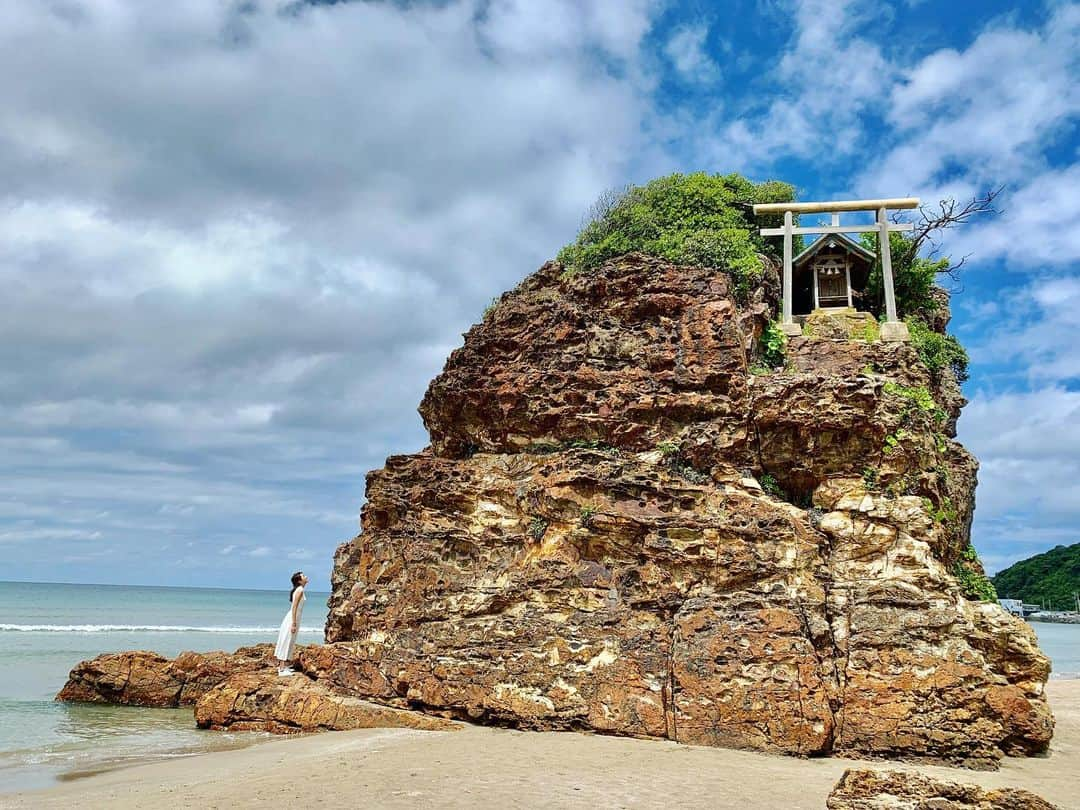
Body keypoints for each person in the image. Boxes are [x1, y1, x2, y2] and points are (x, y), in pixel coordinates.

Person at [274, 571, 308, 676]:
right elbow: (294, 607)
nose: (306, 577)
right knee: (286, 641)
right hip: (292, 619)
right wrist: (293, 623)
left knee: (290, 641)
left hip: (295, 618)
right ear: (299, 580)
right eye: (303, 576)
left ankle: (286, 666)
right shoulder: (300, 590)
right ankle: (282, 669)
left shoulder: (299, 590)